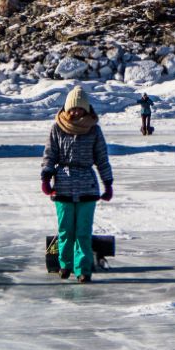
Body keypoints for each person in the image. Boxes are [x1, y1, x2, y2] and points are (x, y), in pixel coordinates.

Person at [41, 86, 113, 283]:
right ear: (66, 108)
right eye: (72, 108)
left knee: (83, 232)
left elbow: (102, 159)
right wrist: (46, 177)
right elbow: (50, 155)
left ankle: (83, 269)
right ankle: (65, 265)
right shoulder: (56, 128)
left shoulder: (94, 130)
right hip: (63, 186)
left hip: (87, 187)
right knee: (66, 230)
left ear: (86, 109)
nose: (75, 112)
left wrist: (108, 183)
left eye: (79, 109)